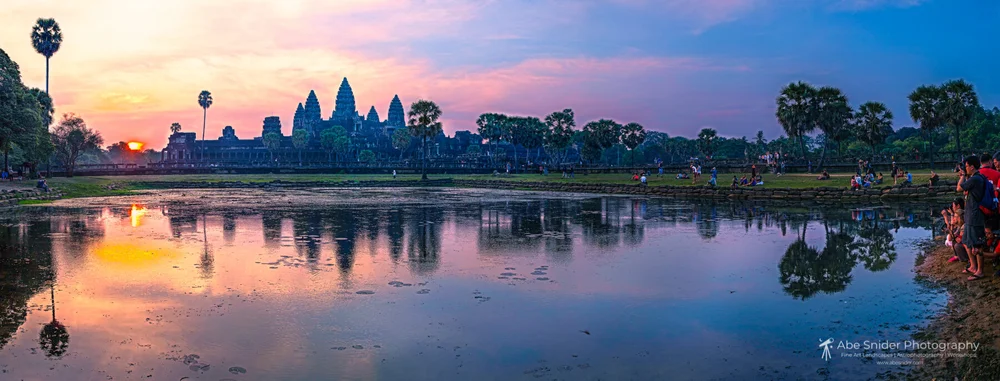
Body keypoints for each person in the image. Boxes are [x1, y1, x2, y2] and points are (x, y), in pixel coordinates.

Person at [958, 156, 987, 281]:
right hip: (971, 215)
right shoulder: (976, 178)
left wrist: (962, 176)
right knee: (966, 241)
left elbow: (959, 188)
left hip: (975, 215)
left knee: (977, 244)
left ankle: (980, 270)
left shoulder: (975, 178)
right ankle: (973, 266)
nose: (965, 169)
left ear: (972, 166)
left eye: (966, 166)